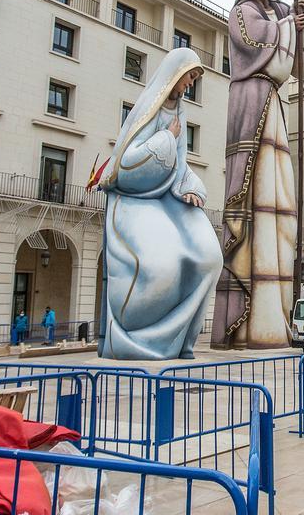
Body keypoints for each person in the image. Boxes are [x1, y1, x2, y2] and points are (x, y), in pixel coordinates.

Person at [211, 0, 304, 350]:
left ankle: (273, 320)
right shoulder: (240, 11)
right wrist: (292, 21)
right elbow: (255, 40)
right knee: (254, 200)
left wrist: (303, 22)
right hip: (250, 103)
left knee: (280, 205)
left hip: (273, 106)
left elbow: (303, 64)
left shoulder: (277, 9)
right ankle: (247, 326)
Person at [94, 48, 222, 360]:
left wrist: (192, 188)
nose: (191, 83)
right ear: (175, 74)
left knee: (210, 257)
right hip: (134, 199)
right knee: (161, 267)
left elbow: (180, 163)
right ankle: (138, 336)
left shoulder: (180, 111)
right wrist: (166, 138)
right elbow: (125, 163)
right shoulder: (147, 109)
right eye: (189, 76)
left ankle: (180, 339)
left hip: (168, 194)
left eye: (194, 78)